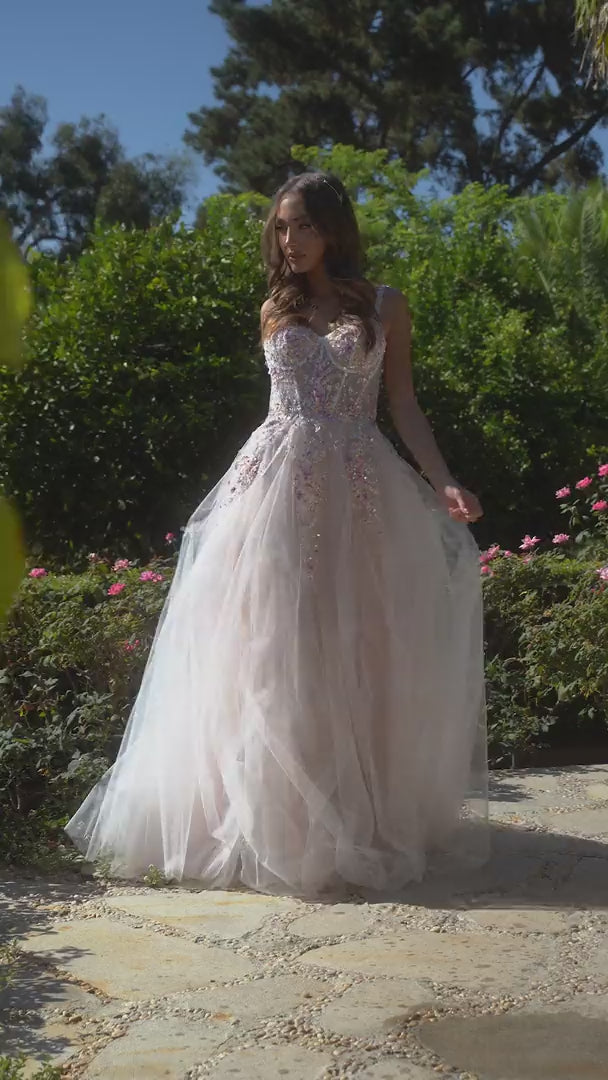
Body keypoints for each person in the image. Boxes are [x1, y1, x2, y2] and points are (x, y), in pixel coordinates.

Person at [65, 171, 489, 898]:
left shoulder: (385, 305)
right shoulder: (275, 308)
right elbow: (280, 404)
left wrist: (444, 478)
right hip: (273, 489)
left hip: (360, 488)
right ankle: (273, 822)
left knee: (359, 644)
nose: (290, 240)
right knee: (270, 643)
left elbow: (403, 403)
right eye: (281, 227)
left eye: (304, 225)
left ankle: (360, 818)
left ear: (334, 228)